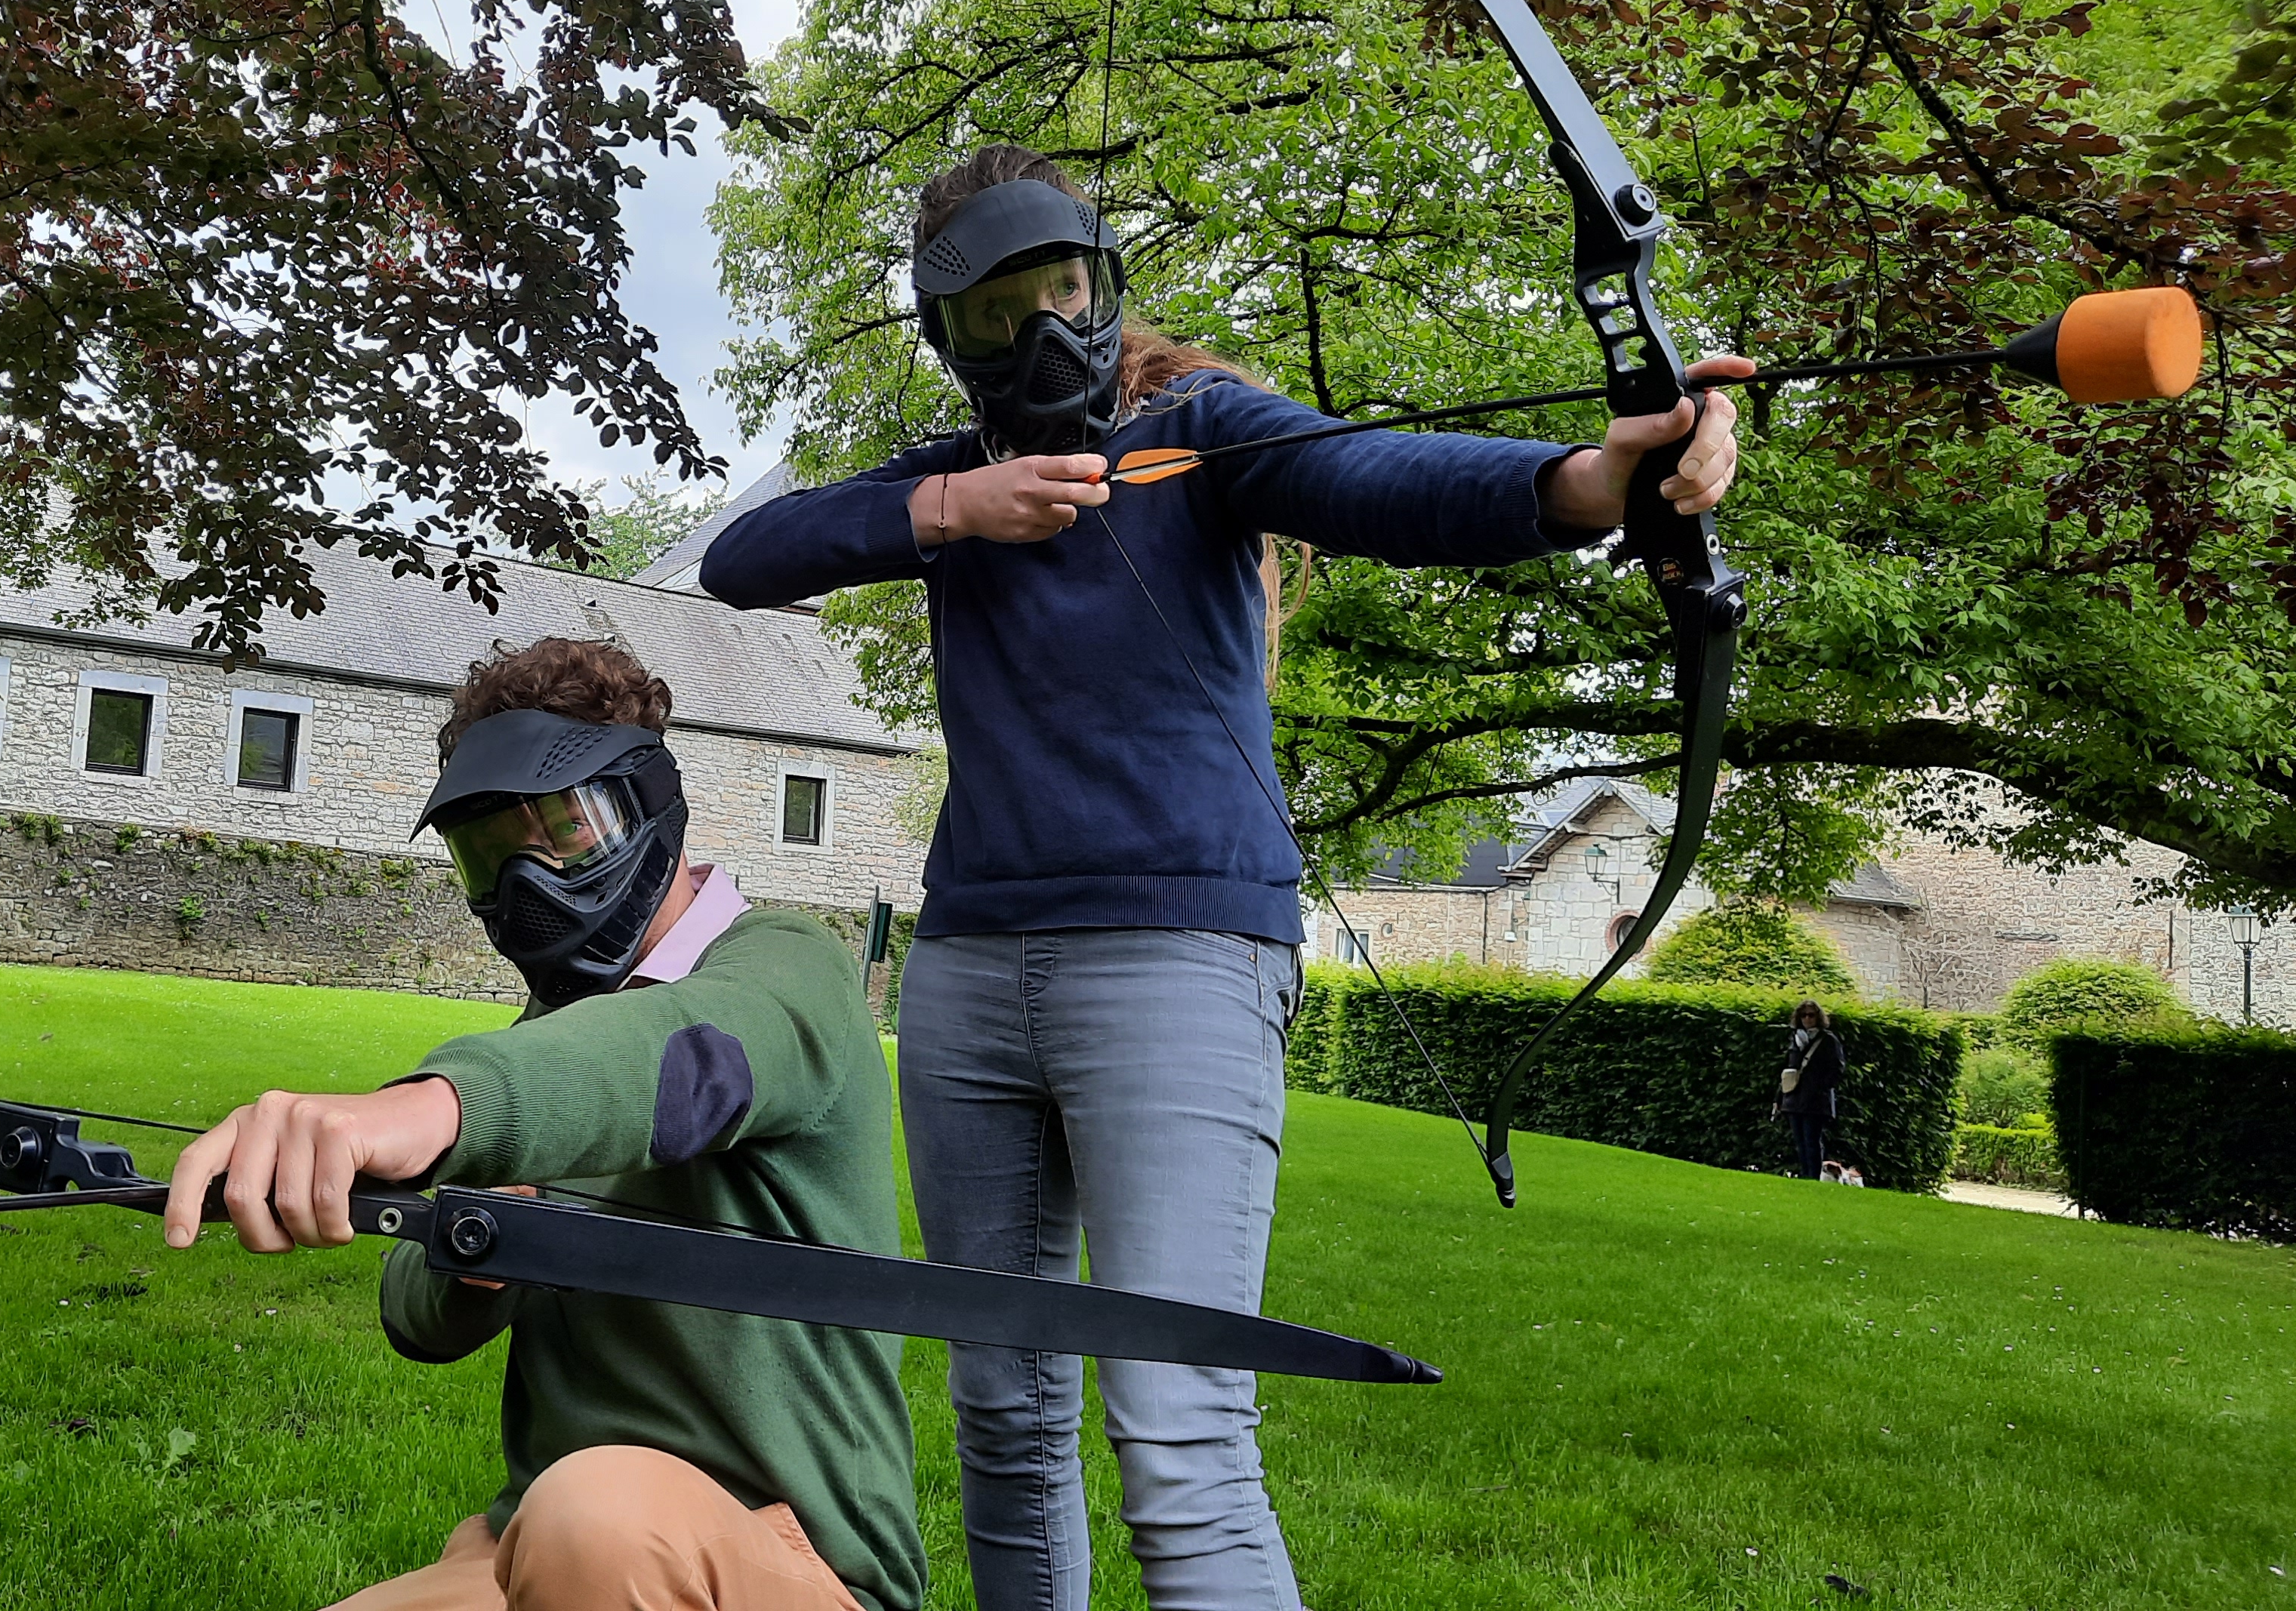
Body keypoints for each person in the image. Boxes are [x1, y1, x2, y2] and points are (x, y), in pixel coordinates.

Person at [697, 144, 1747, 1611]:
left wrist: (1591, 481)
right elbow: (741, 560)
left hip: (1176, 960)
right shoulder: (947, 480)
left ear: (1096, 276)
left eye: (1054, 288)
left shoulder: (1201, 431)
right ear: (947, 336)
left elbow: (1377, 476)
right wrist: (954, 512)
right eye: (990, 312)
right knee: (1003, 1416)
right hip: (971, 974)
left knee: (1178, 1431)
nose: (1036, 332)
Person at [162, 638, 924, 1611]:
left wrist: (429, 1106)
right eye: (491, 855)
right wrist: (477, 1253)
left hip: (794, 1560)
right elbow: (416, 1319)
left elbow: (684, 1058)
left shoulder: (786, 968)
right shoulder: (547, 1042)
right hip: (539, 1548)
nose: (528, 887)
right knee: (570, 1524)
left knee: (597, 1512)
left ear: (649, 808)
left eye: (562, 830)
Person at [1779, 999, 1845, 1181]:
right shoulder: (1796, 1039)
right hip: (1794, 1098)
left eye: (1811, 1015)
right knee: (1800, 1142)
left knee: (1812, 1141)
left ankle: (1813, 1177)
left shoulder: (1828, 1040)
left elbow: (1838, 1069)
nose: (1807, 1019)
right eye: (1804, 1015)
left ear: (1818, 1017)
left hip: (1816, 1100)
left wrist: (1821, 1088)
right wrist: (1780, 1098)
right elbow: (1788, 1071)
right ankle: (1804, 1175)